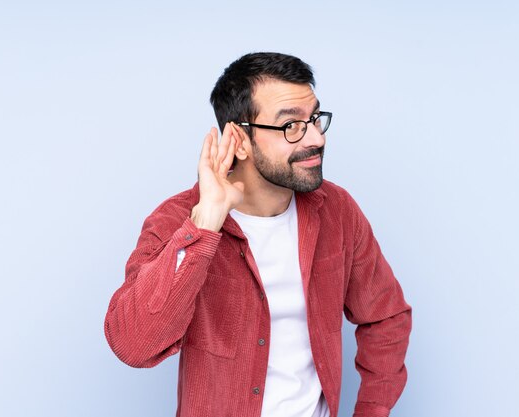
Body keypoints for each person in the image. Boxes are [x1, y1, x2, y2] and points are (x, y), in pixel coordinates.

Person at [104, 52, 411, 417]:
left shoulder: (337, 211)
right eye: (291, 125)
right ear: (240, 140)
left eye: (314, 118)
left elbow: (386, 316)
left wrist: (372, 410)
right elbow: (134, 345)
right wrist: (204, 226)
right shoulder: (176, 221)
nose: (315, 138)